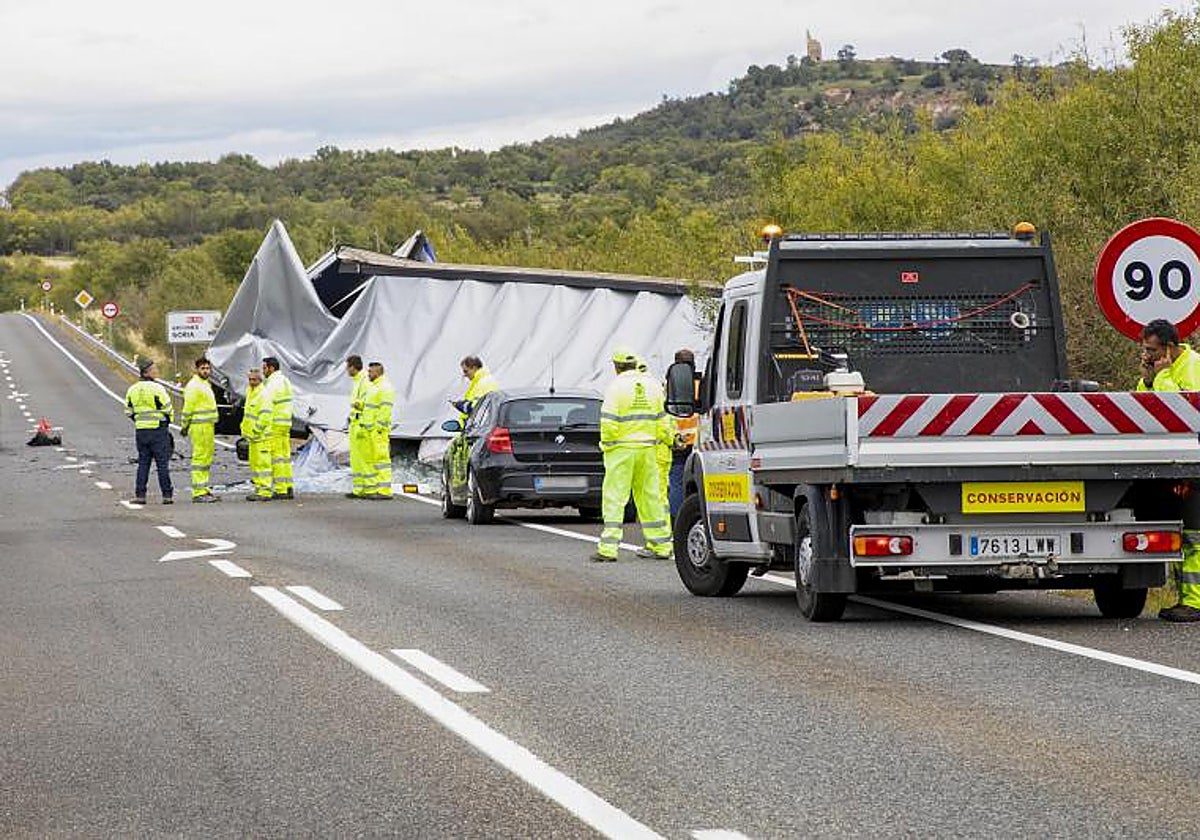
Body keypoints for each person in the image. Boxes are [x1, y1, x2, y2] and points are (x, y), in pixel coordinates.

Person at [1137, 319, 1200, 622]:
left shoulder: (1192, 367)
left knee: (1194, 537)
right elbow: (1144, 408)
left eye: (1151, 350)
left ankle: (1194, 603)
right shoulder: (1163, 368)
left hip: (1194, 462)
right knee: (1185, 534)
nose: (1146, 355)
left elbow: (1181, 411)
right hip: (1177, 463)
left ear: (1169, 347)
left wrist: (1161, 377)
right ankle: (1187, 600)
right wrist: (1149, 381)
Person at [592, 346, 673, 562]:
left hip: (621, 450)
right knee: (650, 497)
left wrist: (607, 445)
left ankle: (608, 548)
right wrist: (666, 440)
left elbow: (608, 422)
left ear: (616, 366)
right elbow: (663, 420)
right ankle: (662, 545)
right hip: (648, 449)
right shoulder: (653, 385)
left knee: (615, 498)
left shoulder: (616, 387)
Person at [125, 359, 174, 505]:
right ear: (147, 372)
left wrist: (139, 421)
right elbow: (168, 408)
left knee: (143, 463)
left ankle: (140, 495)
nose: (156, 371)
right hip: (158, 430)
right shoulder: (157, 388)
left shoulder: (132, 389)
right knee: (162, 464)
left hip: (141, 431)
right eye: (154, 369)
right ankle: (167, 495)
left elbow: (128, 411)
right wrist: (166, 422)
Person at [180, 356, 219, 503]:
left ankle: (203, 487)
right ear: (197, 370)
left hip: (208, 426)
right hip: (199, 427)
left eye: (208, 368)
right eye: (203, 368)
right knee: (200, 458)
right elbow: (188, 408)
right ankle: (198, 491)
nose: (206, 371)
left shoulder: (205, 384)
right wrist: (184, 425)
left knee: (206, 458)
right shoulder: (194, 386)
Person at [668, 348, 700, 518]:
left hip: (678, 442)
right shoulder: (703, 383)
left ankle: (678, 519)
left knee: (677, 483)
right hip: (699, 441)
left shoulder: (668, 386)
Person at [259, 356, 294, 501]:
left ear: (271, 368)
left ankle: (280, 489)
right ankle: (288, 486)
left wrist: (261, 425)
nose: (263, 371)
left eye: (264, 368)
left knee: (277, 458)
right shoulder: (285, 380)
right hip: (285, 423)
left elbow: (266, 405)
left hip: (275, 424)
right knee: (285, 457)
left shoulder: (272, 383)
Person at [365, 361, 396, 499]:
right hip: (372, 430)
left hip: (378, 431)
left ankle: (384, 490)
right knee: (375, 460)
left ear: (377, 372)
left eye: (370, 372)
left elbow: (385, 409)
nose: (368, 374)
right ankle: (378, 488)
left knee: (382, 459)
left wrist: (379, 427)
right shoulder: (375, 387)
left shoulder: (384, 387)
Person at [241, 367, 272, 501]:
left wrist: (256, 430)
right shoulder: (251, 392)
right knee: (255, 464)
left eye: (254, 380)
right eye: (250, 379)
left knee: (263, 465)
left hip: (262, 437)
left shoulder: (263, 394)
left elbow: (265, 416)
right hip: (254, 437)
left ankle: (265, 491)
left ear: (260, 380)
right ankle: (259, 489)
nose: (252, 382)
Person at [345, 355, 373, 499]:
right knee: (356, 459)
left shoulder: (364, 381)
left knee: (363, 458)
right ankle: (358, 489)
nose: (346, 370)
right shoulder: (357, 381)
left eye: (347, 367)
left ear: (352, 367)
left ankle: (367, 489)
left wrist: (358, 406)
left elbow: (369, 403)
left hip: (361, 424)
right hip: (355, 424)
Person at [452, 355, 498, 423]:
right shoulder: (480, 381)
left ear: (474, 368)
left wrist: (462, 406)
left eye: (465, 371)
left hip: (477, 426)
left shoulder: (483, 382)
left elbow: (477, 408)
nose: (465, 375)